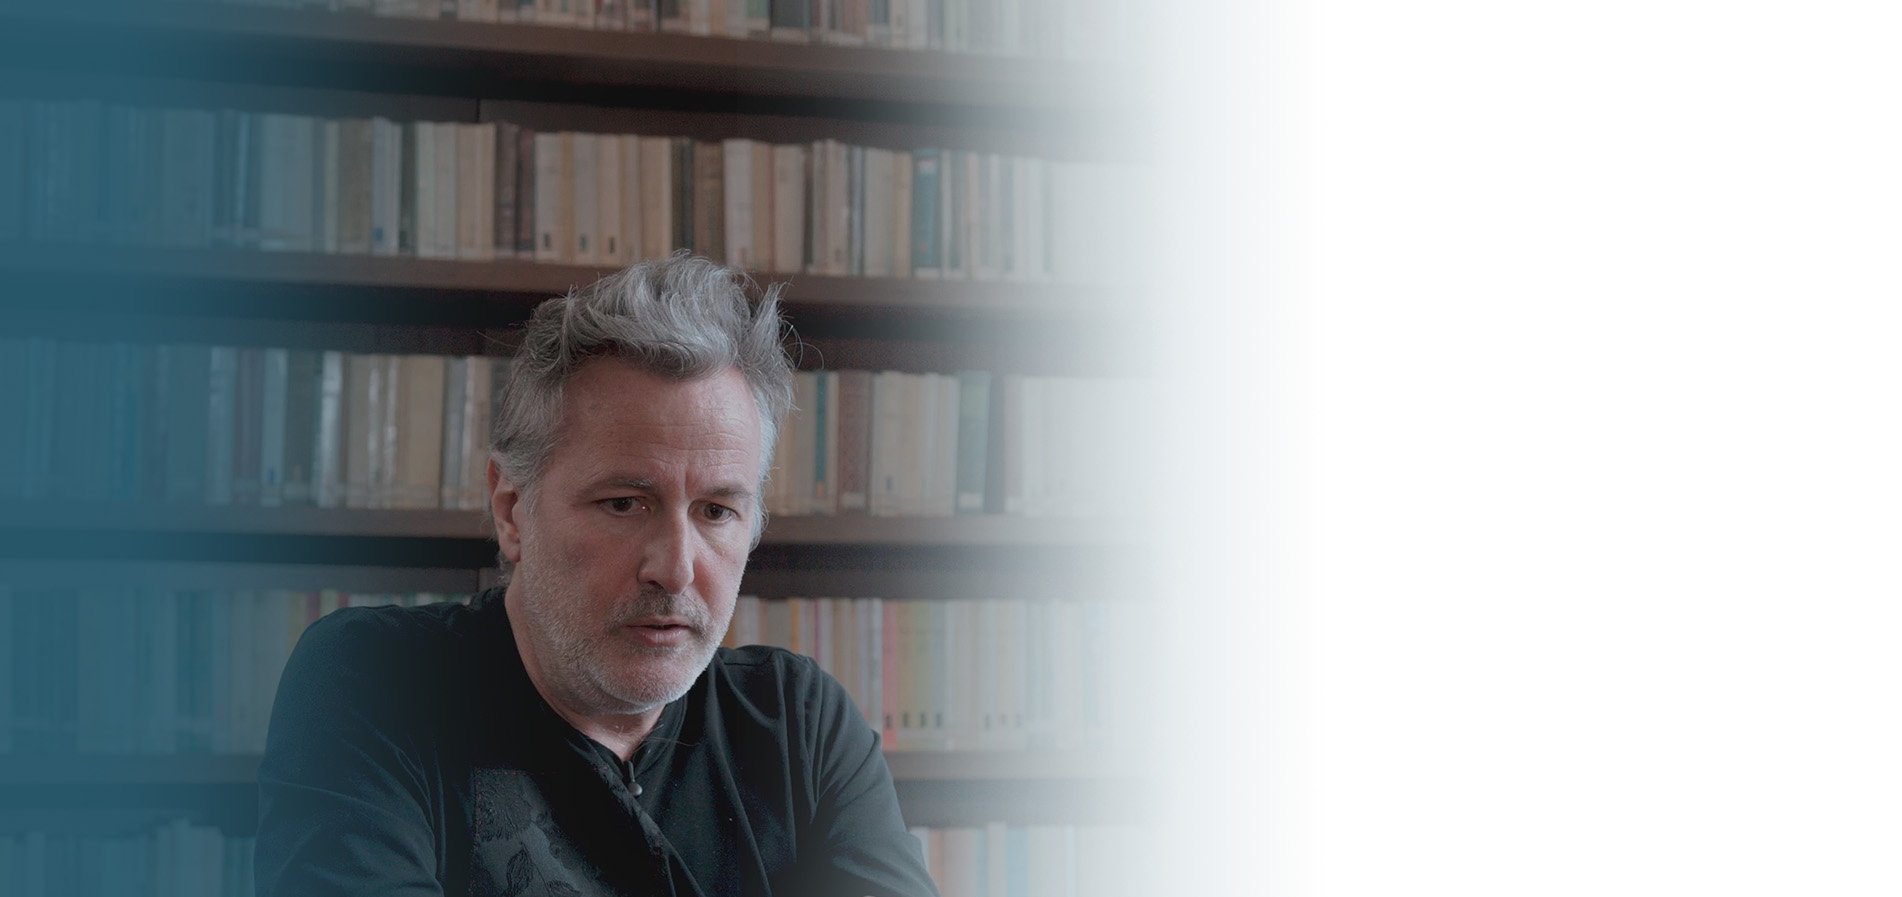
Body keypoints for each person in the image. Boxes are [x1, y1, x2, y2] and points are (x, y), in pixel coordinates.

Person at [255, 255, 940, 897]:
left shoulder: (798, 726)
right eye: (624, 504)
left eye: (716, 511)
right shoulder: (378, 684)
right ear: (512, 509)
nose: (675, 568)